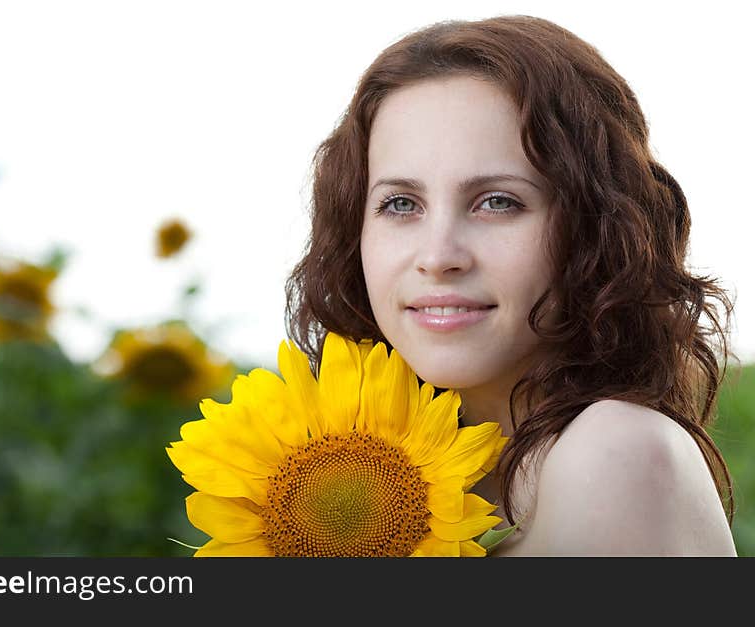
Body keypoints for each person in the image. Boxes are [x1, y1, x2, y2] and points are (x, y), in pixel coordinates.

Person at [284, 14, 738, 556]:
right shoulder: (368, 495)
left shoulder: (616, 451)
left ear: (595, 227)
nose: (437, 257)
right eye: (401, 204)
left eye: (498, 202)